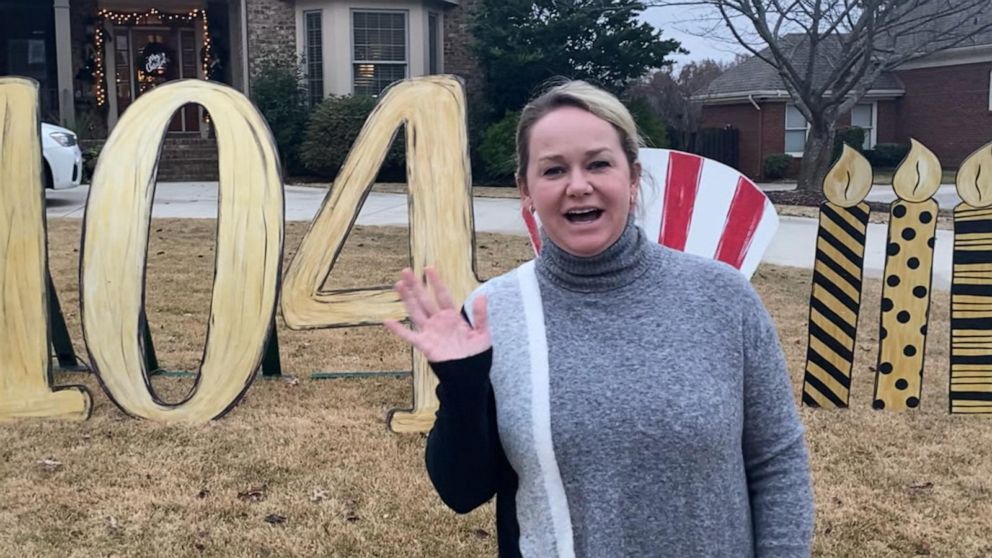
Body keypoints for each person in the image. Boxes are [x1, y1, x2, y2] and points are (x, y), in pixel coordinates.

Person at [385, 80, 814, 557]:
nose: (578, 185)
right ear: (525, 189)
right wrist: (461, 387)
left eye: (598, 164)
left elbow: (777, 464)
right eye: (553, 170)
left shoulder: (722, 297)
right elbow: (462, 492)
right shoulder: (497, 313)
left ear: (632, 178)